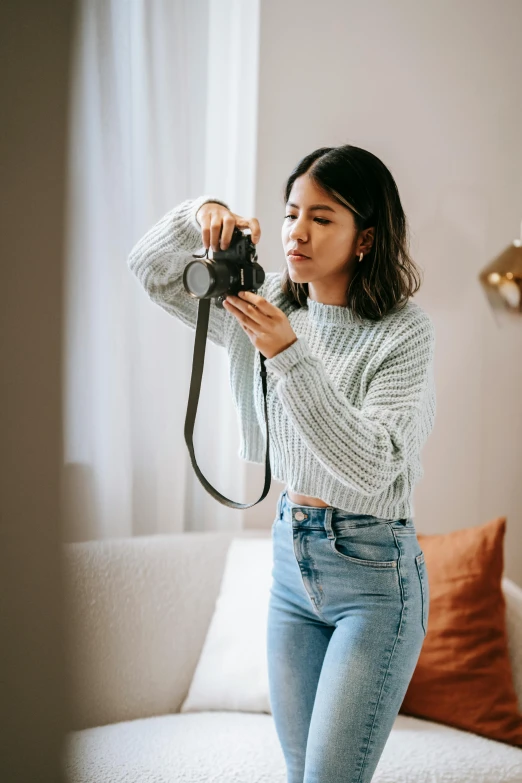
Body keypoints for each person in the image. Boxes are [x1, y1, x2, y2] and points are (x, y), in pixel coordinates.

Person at [127, 144, 436, 783]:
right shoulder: (267, 304)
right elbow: (151, 271)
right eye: (292, 212)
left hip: (374, 578)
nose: (297, 231)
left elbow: (374, 466)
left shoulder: (402, 332)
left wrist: (288, 355)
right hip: (291, 562)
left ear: (365, 238)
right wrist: (201, 216)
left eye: (322, 218)